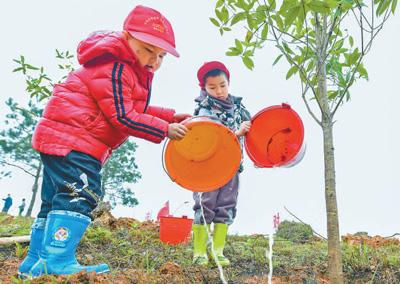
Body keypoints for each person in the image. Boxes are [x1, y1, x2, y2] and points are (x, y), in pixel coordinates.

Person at [18, 5, 190, 278]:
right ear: (126, 37)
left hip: (62, 140)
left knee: (55, 201)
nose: (154, 61)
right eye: (148, 50)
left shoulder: (124, 68)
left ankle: (35, 262)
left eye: (161, 56)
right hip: (76, 141)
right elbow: (123, 116)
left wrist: (170, 116)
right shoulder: (115, 67)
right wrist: (166, 129)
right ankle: (58, 260)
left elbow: (131, 107)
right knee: (79, 195)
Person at [191, 61, 251, 267]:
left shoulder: (239, 108)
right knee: (205, 204)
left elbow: (253, 133)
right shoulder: (204, 110)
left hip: (232, 166)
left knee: (226, 205)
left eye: (222, 85)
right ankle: (199, 251)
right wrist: (237, 133)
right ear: (204, 88)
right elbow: (211, 139)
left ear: (228, 82)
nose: (219, 91)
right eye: (213, 87)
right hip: (207, 167)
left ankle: (218, 250)